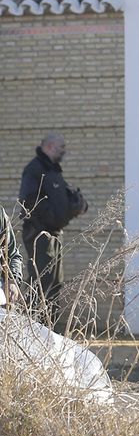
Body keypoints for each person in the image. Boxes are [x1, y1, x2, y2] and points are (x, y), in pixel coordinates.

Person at [17, 132, 88, 322]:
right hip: (40, 235)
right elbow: (29, 201)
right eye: (61, 147)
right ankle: (33, 328)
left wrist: (75, 206)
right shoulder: (34, 170)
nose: (64, 151)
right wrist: (52, 218)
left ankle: (50, 330)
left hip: (55, 234)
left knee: (55, 284)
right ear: (49, 146)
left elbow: (62, 202)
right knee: (41, 283)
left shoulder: (53, 172)